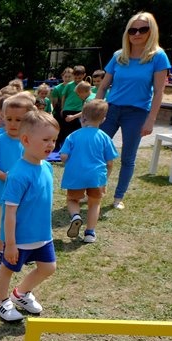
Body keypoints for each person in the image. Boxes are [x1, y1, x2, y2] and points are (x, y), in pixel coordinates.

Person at [96, 11, 170, 210]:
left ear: (151, 31)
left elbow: (159, 92)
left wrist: (151, 120)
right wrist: (94, 111)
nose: (137, 34)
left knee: (128, 157)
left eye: (143, 29)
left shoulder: (158, 57)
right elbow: (103, 87)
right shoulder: (118, 56)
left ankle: (118, 197)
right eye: (132, 30)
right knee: (97, 151)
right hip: (111, 110)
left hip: (137, 113)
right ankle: (95, 190)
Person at [0, 110, 59, 322]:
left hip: (42, 235)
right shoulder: (18, 174)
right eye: (46, 140)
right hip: (19, 238)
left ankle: (20, 294)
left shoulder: (47, 166)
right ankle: (2, 302)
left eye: (54, 140)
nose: (51, 145)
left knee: (48, 268)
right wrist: (11, 244)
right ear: (26, 140)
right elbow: (9, 212)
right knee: (7, 269)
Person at [0, 92, 35, 269]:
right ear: (3, 117)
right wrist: (5, 176)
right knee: (0, 225)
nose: (13, 124)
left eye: (18, 120)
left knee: (21, 223)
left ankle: (22, 251)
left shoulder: (29, 142)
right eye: (9, 119)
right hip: (0, 194)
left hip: (23, 195)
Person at [60, 99, 119, 243]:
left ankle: (75, 216)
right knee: (94, 204)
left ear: (83, 117)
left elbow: (63, 156)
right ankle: (90, 233)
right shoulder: (105, 138)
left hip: (76, 175)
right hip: (96, 176)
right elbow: (110, 162)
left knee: (72, 200)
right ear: (103, 119)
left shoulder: (73, 136)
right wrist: (105, 177)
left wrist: (69, 163)